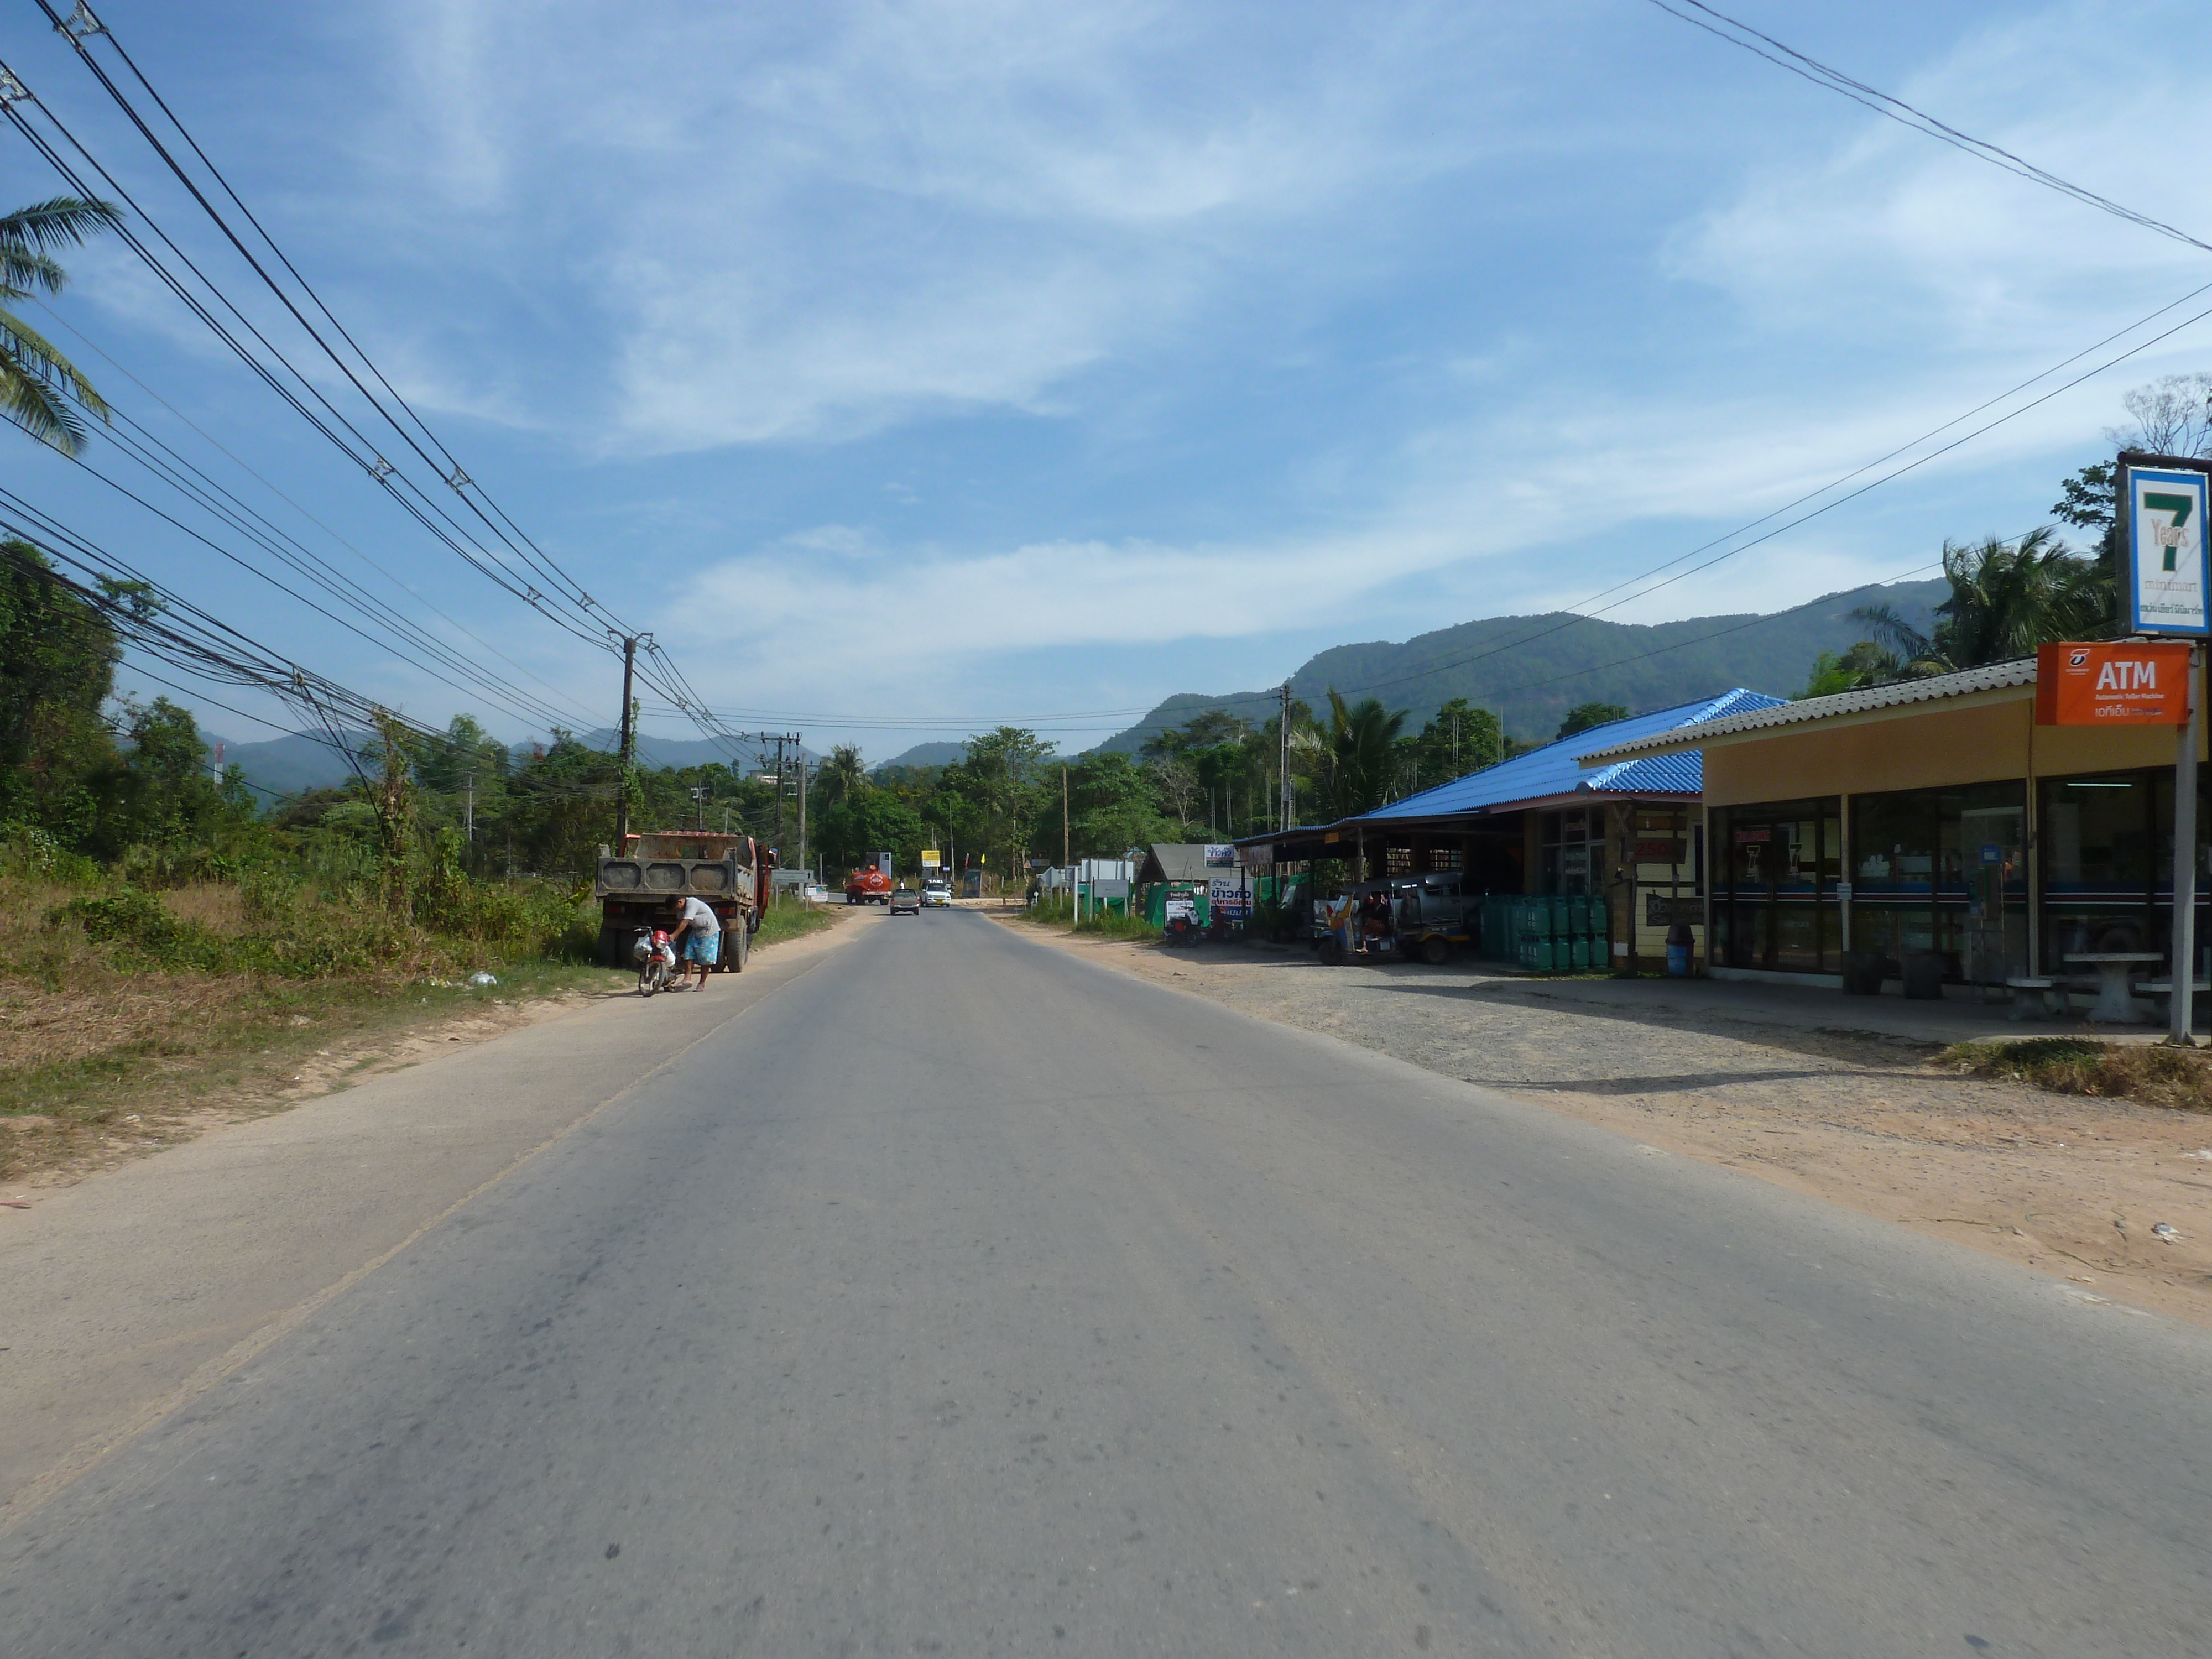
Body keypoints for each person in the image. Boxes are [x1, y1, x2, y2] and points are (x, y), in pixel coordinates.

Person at [669, 894, 719, 990]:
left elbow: (686, 921)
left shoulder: (692, 903)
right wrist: (676, 936)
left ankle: (702, 984)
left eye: (676, 907)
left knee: (706, 959)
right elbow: (680, 922)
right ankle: (687, 979)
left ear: (680, 902)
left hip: (709, 932)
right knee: (688, 955)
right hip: (696, 931)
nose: (677, 910)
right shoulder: (682, 909)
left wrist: (674, 935)